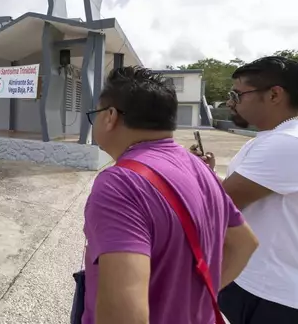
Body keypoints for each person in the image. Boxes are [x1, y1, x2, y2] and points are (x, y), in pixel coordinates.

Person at [82, 66, 258, 324]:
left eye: (94, 115)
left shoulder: (120, 183)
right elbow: (244, 244)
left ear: (110, 116)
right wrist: (190, 298)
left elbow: (124, 316)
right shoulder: (198, 167)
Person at [191, 56, 298, 324]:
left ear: (274, 94)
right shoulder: (275, 138)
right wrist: (209, 174)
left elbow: (217, 206)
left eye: (237, 94)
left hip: (270, 295)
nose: (229, 103)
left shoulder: (284, 143)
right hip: (261, 282)